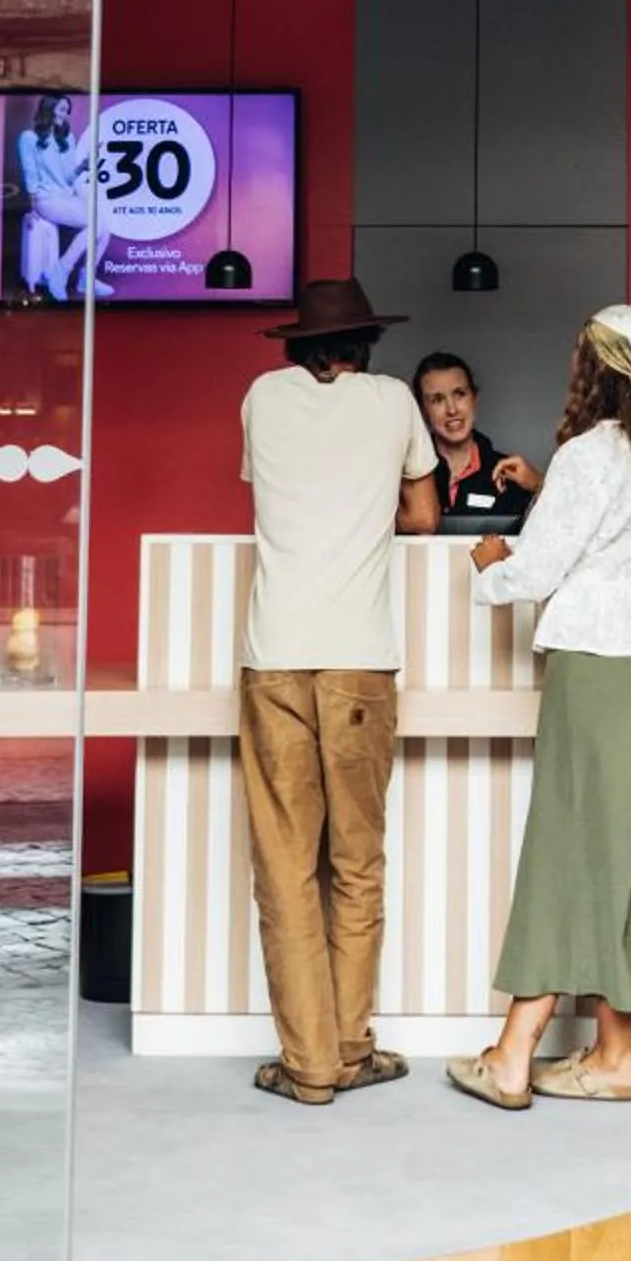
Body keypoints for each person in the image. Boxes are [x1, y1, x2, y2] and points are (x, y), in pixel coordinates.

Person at [447, 304, 631, 1112]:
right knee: (620, 854)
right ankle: (616, 1056)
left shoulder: (591, 454)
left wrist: (489, 565)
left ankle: (514, 1053)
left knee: (566, 846)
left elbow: (538, 568)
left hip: (597, 668)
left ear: (590, 370)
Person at [238, 275, 441, 1107]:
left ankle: (309, 1068)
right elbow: (425, 518)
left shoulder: (261, 397)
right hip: (360, 659)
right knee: (356, 864)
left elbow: (267, 493)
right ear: (366, 345)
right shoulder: (395, 402)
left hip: (273, 656)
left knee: (286, 868)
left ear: (296, 345)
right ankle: (352, 1049)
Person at [411, 352, 543, 518]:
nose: (452, 409)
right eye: (437, 400)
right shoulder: (409, 476)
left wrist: (540, 485)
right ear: (422, 410)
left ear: (474, 398)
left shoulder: (511, 473)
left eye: (460, 394)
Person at [16, 93, 109, 302]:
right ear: (48, 109)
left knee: (104, 227)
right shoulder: (28, 138)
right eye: (61, 109)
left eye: (67, 111)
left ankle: (86, 278)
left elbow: (67, 178)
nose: (65, 114)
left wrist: (83, 167)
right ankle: (61, 272)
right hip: (46, 200)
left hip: (65, 197)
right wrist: (32, 208)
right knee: (95, 224)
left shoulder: (67, 138)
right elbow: (29, 174)